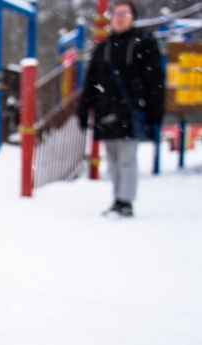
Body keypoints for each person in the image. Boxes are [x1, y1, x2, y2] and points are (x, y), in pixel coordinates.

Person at [77, 0, 165, 217]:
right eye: (116, 13)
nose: (120, 17)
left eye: (124, 13)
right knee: (114, 158)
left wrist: (154, 113)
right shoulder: (103, 48)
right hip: (107, 112)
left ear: (133, 17)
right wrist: (83, 109)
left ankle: (125, 201)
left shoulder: (144, 43)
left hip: (132, 111)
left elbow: (154, 80)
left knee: (127, 158)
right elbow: (90, 82)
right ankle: (118, 198)